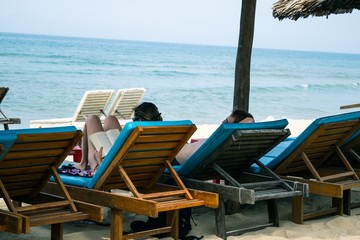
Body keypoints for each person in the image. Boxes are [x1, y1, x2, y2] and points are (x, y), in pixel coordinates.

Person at [75, 102, 162, 173]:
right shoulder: (162, 138)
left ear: (139, 120)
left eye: (134, 120)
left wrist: (99, 160)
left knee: (91, 119)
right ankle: (83, 162)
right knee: (110, 119)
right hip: (127, 167)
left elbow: (116, 171)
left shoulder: (138, 136)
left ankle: (83, 163)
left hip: (108, 169)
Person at [174, 109, 254, 164]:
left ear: (232, 128)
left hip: (173, 155)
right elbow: (250, 123)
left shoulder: (224, 141)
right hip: (183, 148)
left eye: (226, 122)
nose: (222, 123)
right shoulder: (241, 146)